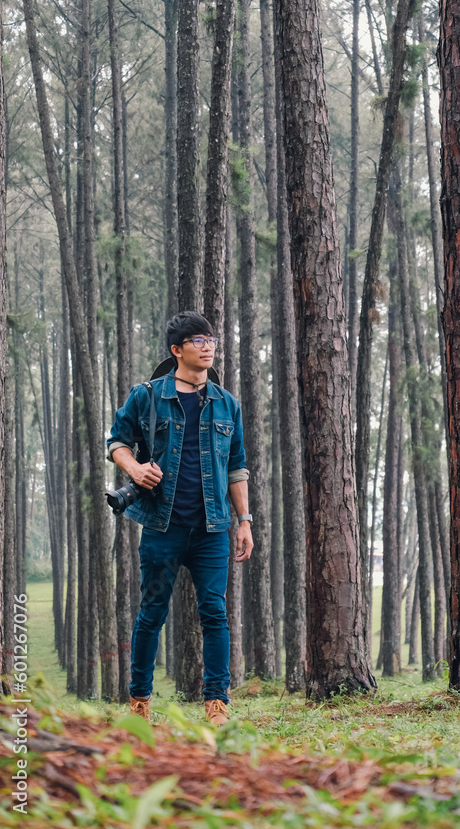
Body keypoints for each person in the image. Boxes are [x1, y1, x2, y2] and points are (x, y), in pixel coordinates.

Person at [106, 311, 254, 726]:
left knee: (215, 613)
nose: (208, 347)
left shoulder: (227, 404)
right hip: (161, 527)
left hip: (212, 529)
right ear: (177, 350)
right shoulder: (147, 395)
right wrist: (134, 469)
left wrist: (244, 521)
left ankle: (216, 706)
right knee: (152, 612)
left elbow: (236, 467)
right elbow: (117, 440)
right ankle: (139, 703)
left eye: (211, 340)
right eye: (198, 341)